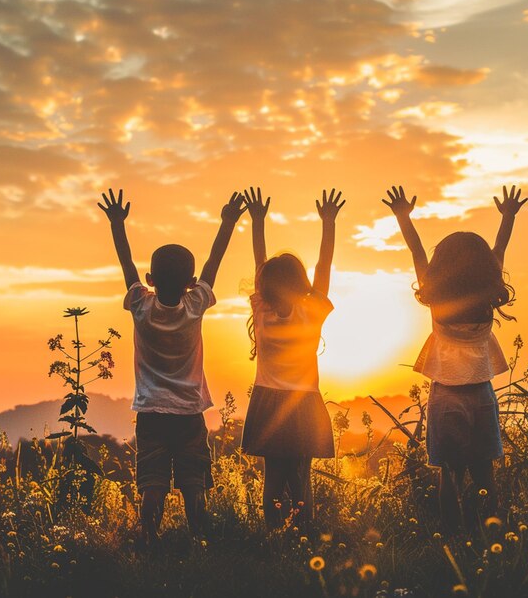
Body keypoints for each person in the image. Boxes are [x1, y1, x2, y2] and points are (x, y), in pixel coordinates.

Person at [97, 188, 246, 544]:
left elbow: (125, 264)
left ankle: (148, 538)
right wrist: (227, 223)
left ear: (149, 280)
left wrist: (117, 224)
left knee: (153, 482)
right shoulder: (195, 304)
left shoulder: (140, 305)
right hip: (190, 413)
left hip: (151, 413)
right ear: (191, 283)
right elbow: (214, 263)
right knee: (194, 481)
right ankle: (200, 540)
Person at [383, 185, 527, 533]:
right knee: (484, 476)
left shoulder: (435, 296)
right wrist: (507, 216)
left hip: (445, 395)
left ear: (441, 265)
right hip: (481, 394)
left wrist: (403, 215)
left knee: (449, 475)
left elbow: (416, 250)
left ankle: (451, 538)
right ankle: (491, 535)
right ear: (484, 268)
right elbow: (500, 248)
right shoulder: (488, 291)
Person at [240, 187, 344, 530]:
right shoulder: (310, 312)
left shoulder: (262, 309)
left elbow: (260, 265)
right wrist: (328, 224)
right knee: (302, 477)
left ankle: (273, 534)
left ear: (265, 285)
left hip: (269, 401)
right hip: (303, 402)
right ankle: (305, 534)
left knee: (273, 476)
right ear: (302, 284)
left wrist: (257, 221)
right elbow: (323, 268)